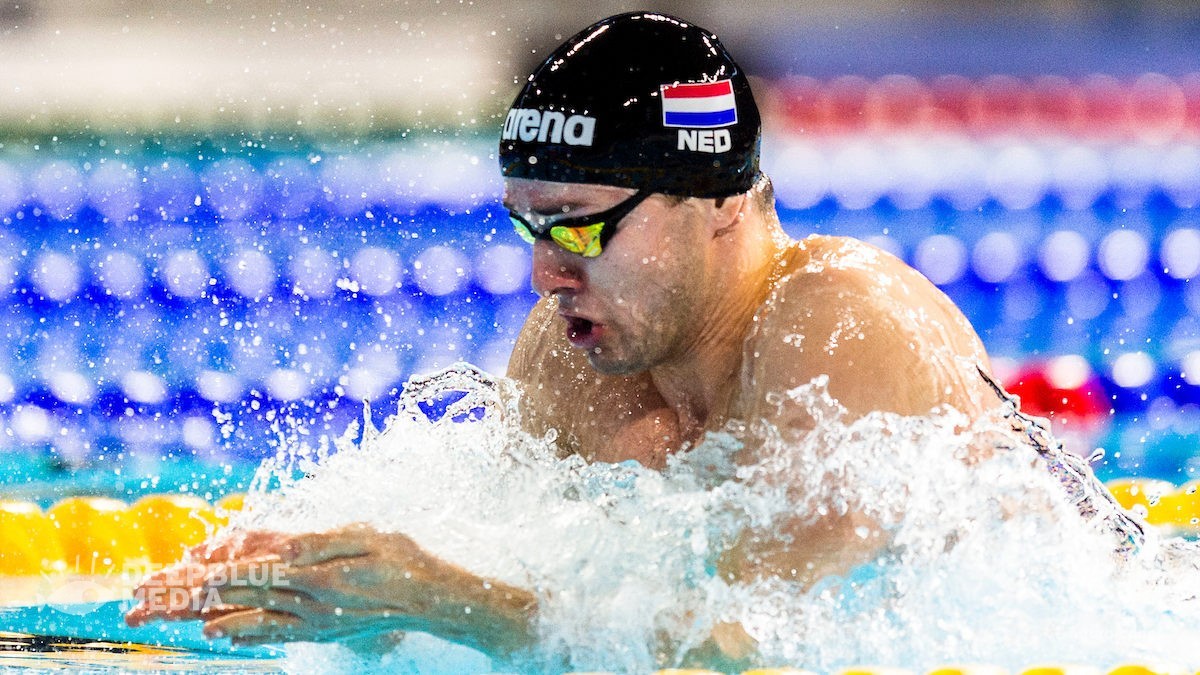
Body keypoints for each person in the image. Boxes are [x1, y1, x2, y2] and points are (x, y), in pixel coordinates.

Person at [125, 11, 1004, 667]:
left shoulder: (843, 328)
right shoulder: (572, 352)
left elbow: (745, 653)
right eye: (532, 227)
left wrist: (444, 598)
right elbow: (558, 594)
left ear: (720, 201)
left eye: (581, 227)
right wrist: (361, 596)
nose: (547, 274)